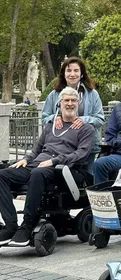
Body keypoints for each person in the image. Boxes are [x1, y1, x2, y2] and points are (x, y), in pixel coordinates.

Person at [0, 87, 94, 246]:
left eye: (73, 100)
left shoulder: (86, 129)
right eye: (66, 100)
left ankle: (28, 224)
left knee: (38, 173)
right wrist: (26, 159)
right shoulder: (51, 126)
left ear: (78, 104)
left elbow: (81, 154)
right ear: (60, 104)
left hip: (65, 169)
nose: (70, 103)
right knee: (3, 174)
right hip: (38, 164)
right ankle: (10, 225)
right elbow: (37, 149)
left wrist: (56, 160)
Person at [42, 57, 105, 172]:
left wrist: (84, 120)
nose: (72, 74)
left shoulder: (92, 94)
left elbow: (100, 119)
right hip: (60, 147)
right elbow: (44, 118)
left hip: (86, 147)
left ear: (81, 74)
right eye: (69, 70)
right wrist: (55, 118)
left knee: (87, 179)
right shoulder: (54, 95)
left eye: (76, 71)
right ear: (63, 74)